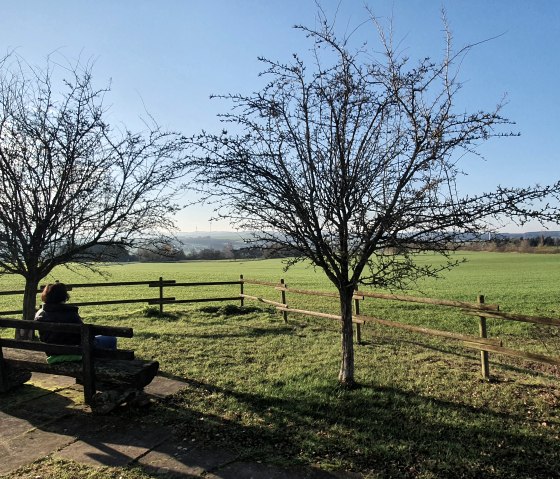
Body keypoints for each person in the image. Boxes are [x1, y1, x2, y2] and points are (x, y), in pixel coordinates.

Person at [35, 282, 116, 364]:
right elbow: (83, 335)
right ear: (63, 296)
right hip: (76, 351)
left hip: (52, 352)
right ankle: (109, 367)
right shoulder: (70, 313)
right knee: (111, 339)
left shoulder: (40, 313)